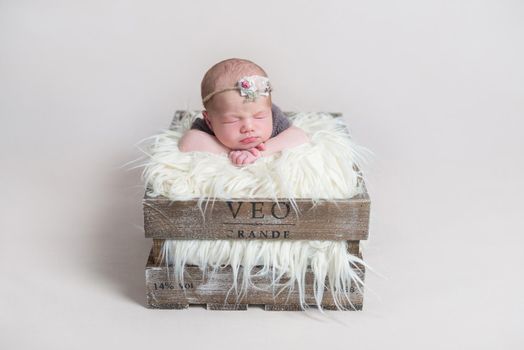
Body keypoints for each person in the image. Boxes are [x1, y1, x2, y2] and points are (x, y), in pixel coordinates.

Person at [178, 58, 309, 166]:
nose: (249, 127)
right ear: (209, 120)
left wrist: (258, 152)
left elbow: (299, 136)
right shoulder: (207, 128)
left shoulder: (274, 118)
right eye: (232, 120)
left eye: (260, 117)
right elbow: (188, 142)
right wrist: (232, 152)